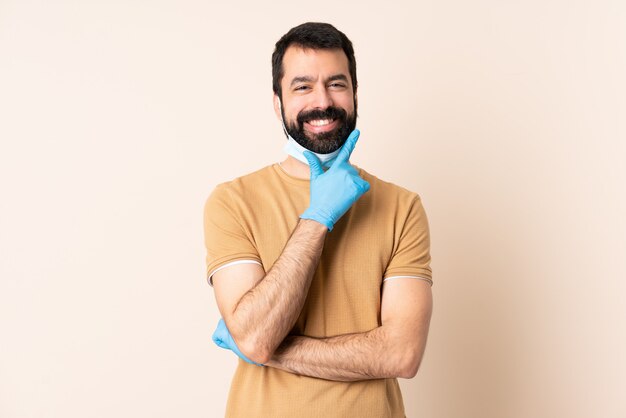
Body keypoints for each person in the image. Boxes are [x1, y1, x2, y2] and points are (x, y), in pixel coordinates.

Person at [203, 22, 433, 418]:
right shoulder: (232, 201)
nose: (322, 101)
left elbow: (402, 353)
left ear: (355, 94)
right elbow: (256, 335)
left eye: (337, 84)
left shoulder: (401, 206)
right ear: (278, 102)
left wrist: (275, 351)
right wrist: (317, 217)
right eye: (303, 86)